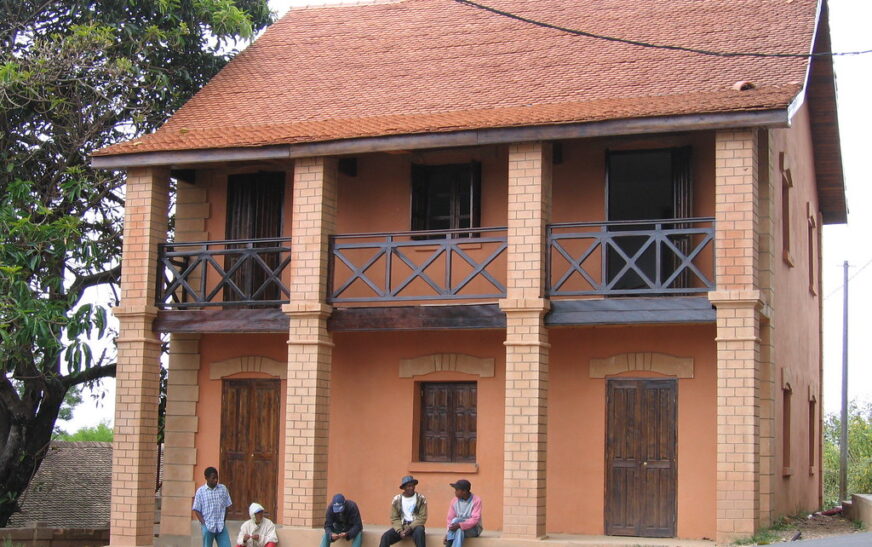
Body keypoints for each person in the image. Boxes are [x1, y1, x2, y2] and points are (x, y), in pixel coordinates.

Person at [378, 475, 427, 547]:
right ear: (404, 488)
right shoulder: (396, 500)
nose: (411, 488)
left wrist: (410, 528)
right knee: (385, 537)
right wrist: (400, 531)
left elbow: (422, 517)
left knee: (420, 532)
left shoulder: (421, 498)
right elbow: (394, 518)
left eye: (413, 485)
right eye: (409, 486)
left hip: (415, 526)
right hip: (402, 526)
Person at [193, 467, 233, 547]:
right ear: (206, 478)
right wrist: (204, 524)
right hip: (208, 526)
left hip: (221, 526)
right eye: (213, 478)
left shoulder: (223, 489)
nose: (215, 480)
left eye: (216, 478)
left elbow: (227, 505)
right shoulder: (200, 491)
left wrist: (223, 520)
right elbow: (196, 509)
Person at [444, 480, 482, 547]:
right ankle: (450, 540)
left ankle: (449, 543)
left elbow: (475, 519)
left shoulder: (476, 500)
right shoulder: (454, 501)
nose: (455, 492)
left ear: (464, 491)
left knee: (456, 522)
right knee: (458, 530)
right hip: (458, 529)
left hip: (473, 529)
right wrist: (448, 533)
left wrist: (460, 525)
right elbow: (450, 519)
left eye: (457, 490)